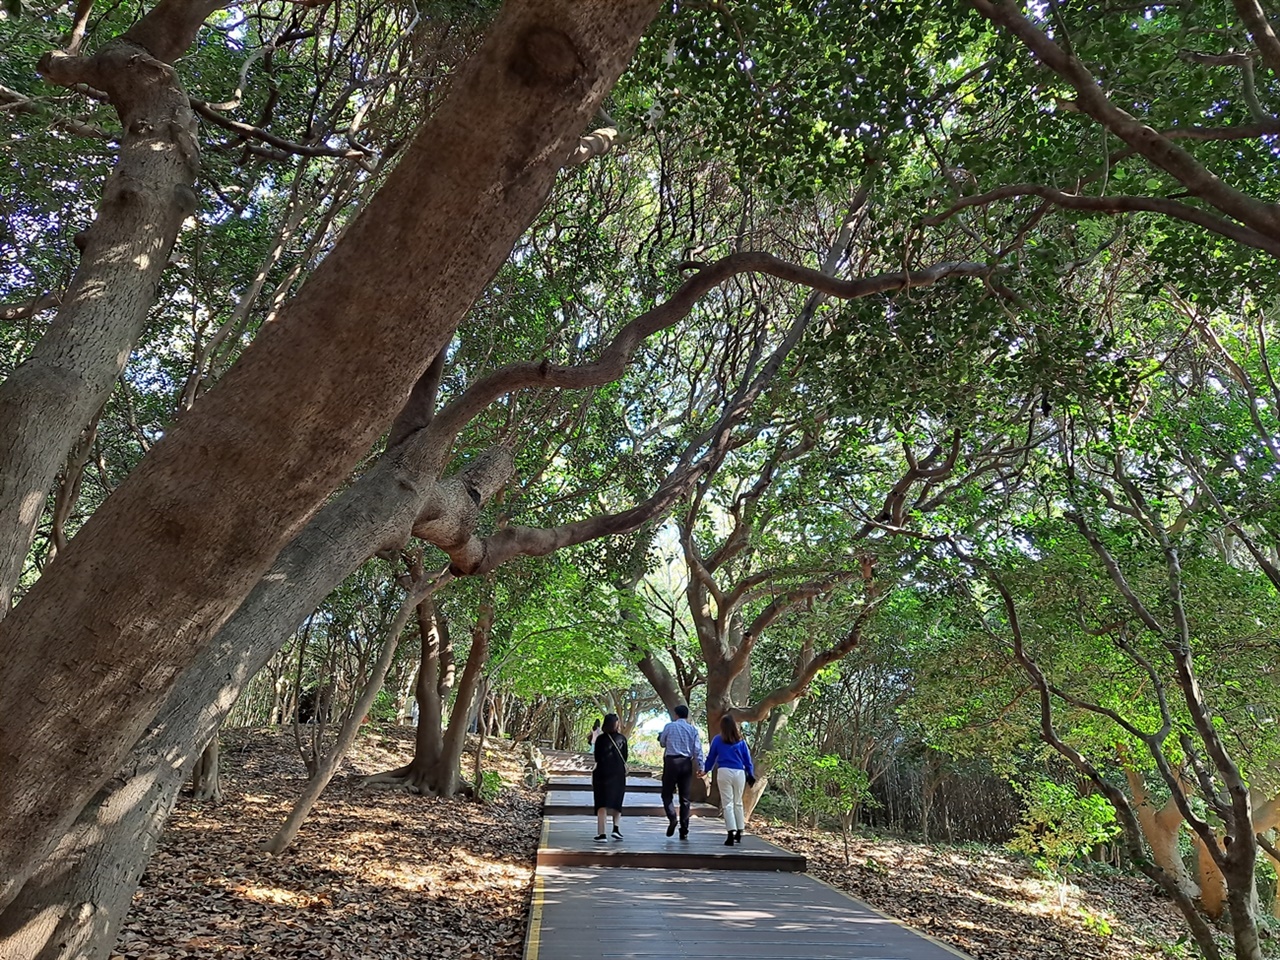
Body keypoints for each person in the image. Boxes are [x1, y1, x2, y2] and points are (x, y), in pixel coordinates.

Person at [705, 714, 755, 845]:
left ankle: (730, 833)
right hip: (739, 773)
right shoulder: (741, 742)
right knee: (738, 802)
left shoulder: (717, 740)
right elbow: (747, 760)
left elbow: (711, 757)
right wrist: (751, 774)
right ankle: (740, 831)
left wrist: (705, 770)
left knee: (727, 804)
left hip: (724, 772)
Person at [657, 703, 704, 840]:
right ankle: (684, 829)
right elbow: (697, 750)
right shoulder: (693, 730)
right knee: (685, 798)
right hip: (686, 764)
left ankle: (672, 817)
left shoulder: (669, 726)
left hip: (671, 762)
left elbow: (663, 743)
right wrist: (701, 766)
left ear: (676, 715)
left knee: (666, 794)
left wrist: (661, 738)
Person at [592, 713, 628, 842]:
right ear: (616, 723)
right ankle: (616, 829)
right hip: (618, 773)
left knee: (601, 802)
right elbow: (625, 757)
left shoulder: (600, 739)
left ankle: (602, 834)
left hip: (601, 772)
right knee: (617, 801)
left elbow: (596, 756)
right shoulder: (622, 739)